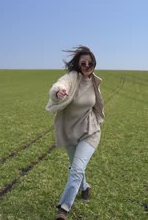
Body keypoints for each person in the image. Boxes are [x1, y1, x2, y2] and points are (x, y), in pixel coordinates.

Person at [46, 46, 105, 220]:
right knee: (76, 167)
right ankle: (85, 188)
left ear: (94, 64)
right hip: (70, 131)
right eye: (83, 63)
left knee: (77, 168)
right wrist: (58, 92)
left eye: (90, 62)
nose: (87, 65)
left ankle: (63, 209)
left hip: (90, 131)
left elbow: (96, 105)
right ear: (78, 65)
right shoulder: (72, 78)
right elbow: (60, 84)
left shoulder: (94, 81)